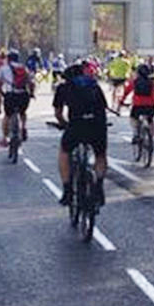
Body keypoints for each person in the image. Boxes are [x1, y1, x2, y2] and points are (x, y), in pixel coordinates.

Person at [52, 63, 109, 206]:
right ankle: (99, 186)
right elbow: (103, 107)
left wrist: (64, 124)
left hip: (77, 125)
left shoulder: (64, 87)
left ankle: (67, 191)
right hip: (97, 124)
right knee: (100, 155)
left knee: (64, 151)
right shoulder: (94, 85)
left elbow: (58, 114)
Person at [0, 51, 33, 146]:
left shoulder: (3, 68)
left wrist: (0, 92)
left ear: (8, 59)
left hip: (10, 95)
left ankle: (4, 138)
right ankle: (23, 127)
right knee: (23, 112)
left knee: (7, 115)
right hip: (23, 95)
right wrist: (31, 93)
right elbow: (31, 82)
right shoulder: (24, 68)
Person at [122, 63, 154, 144]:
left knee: (133, 118)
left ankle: (136, 134)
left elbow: (126, 92)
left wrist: (122, 101)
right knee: (150, 120)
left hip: (138, 105)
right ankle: (151, 138)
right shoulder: (152, 82)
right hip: (151, 106)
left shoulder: (134, 82)